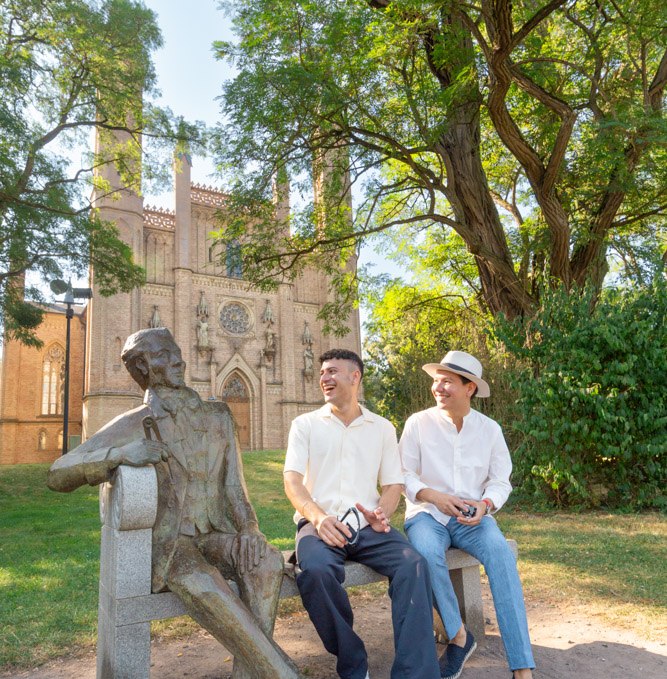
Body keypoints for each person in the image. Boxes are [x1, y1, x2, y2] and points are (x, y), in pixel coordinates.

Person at [47, 328, 300, 679]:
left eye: (176, 351)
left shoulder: (219, 415)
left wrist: (250, 529)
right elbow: (58, 473)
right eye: (164, 355)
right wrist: (121, 454)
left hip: (216, 532)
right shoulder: (136, 423)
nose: (178, 360)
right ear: (142, 367)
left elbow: (233, 486)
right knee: (205, 582)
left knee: (267, 563)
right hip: (173, 547)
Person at [283, 349, 440, 679]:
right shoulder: (304, 425)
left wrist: (381, 512)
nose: (325, 377)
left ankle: (416, 673)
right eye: (322, 372)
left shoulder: (381, 428)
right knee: (316, 572)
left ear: (355, 377)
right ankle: (353, 665)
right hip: (319, 525)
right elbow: (293, 482)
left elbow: (394, 484)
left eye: (333, 371)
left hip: (367, 527)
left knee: (414, 565)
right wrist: (318, 518)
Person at [399, 351, 535, 679]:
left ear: (469, 388)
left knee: (501, 556)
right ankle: (459, 635)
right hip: (427, 514)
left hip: (473, 519)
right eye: (436, 380)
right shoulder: (417, 423)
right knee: (426, 553)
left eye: (447, 381)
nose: (438, 387)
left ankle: (522, 666)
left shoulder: (489, 430)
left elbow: (500, 481)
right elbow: (402, 474)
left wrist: (485, 506)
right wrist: (435, 497)